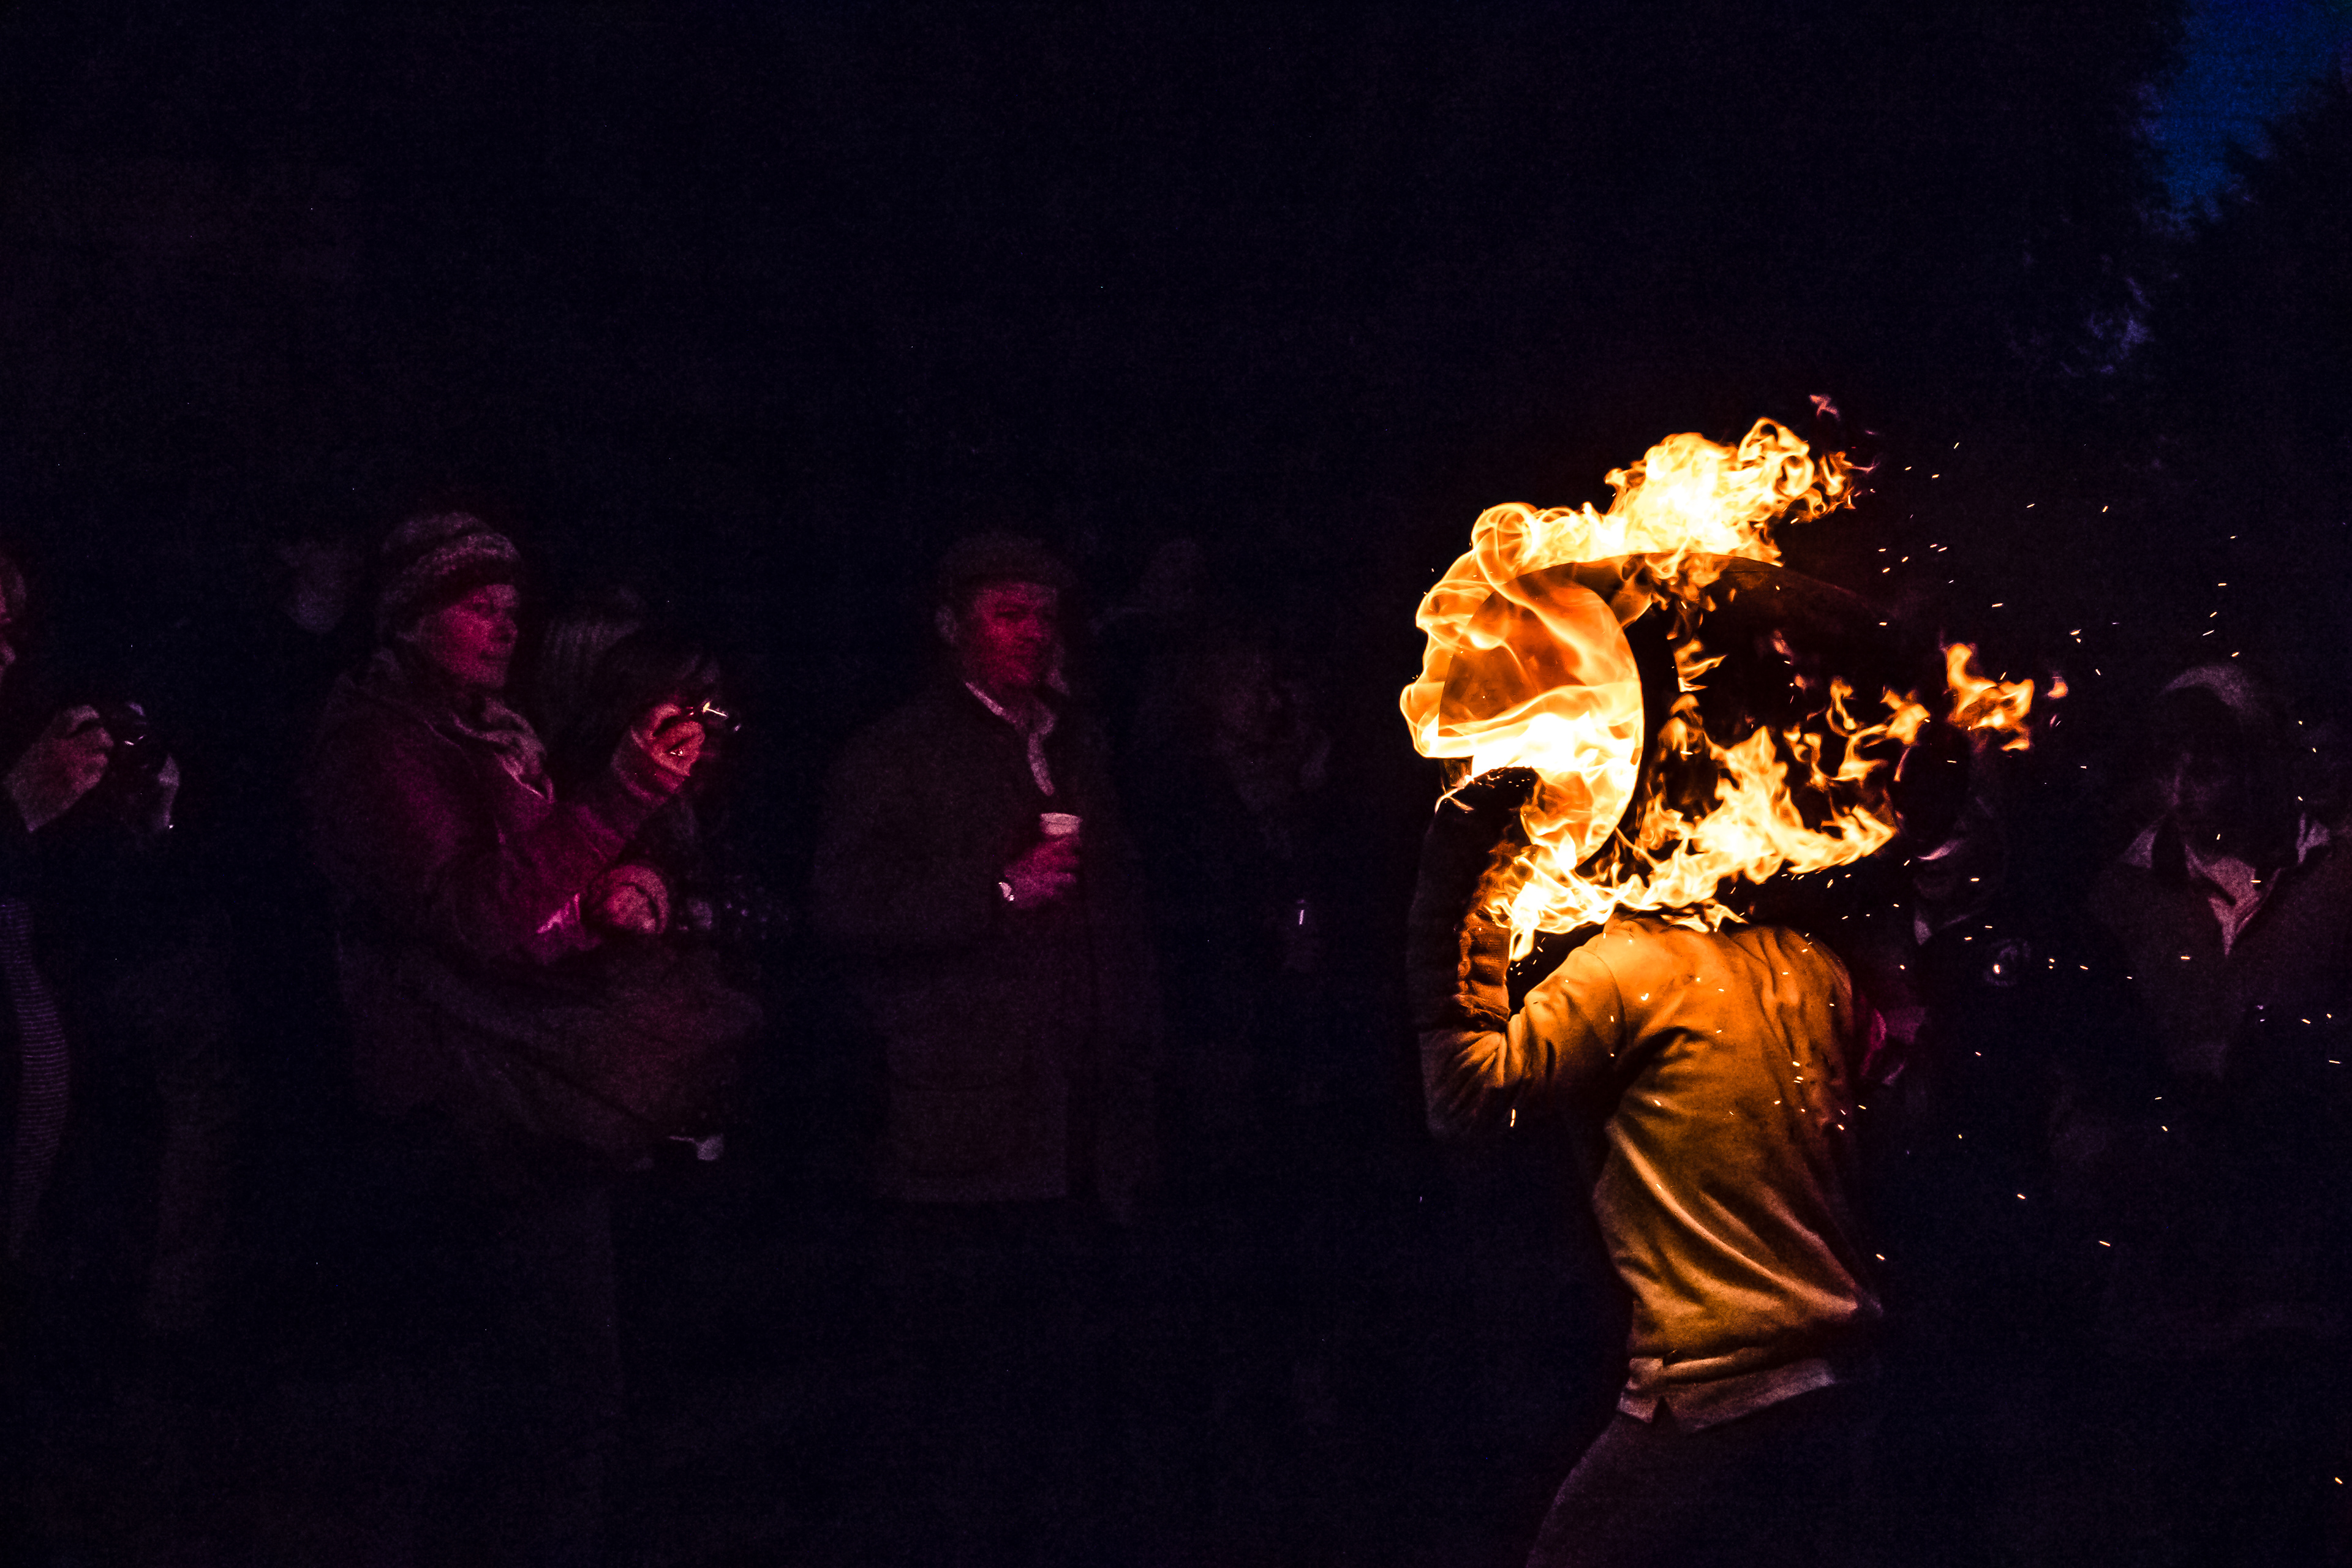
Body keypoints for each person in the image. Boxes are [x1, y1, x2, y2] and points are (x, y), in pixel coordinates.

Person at [304, 511, 727, 1567]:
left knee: (540, 1389)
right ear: (408, 619)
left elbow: (539, 894)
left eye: (511, 608)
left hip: (520, 1080)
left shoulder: (494, 732)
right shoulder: (378, 745)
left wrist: (619, 889)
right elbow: (479, 920)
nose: (503, 625)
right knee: (546, 1391)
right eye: (476, 606)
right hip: (468, 1092)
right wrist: (622, 794)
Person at [1408, 769, 1883, 1568]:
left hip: (1711, 1396)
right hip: (1842, 1384)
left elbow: (1461, 1099)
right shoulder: (1816, 967)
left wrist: (1465, 891)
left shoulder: (1628, 969)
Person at [812, 530, 1154, 1564]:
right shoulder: (897, 753)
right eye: (1008, 613)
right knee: (964, 1412)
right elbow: (841, 906)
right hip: (963, 1126)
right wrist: (995, 892)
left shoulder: (1077, 746)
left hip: (1079, 1125)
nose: (1031, 633)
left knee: (1065, 1406)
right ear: (951, 627)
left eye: (1044, 614)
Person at [2053, 664, 2352, 1564]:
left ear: (2260, 765)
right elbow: (2080, 1069)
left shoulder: (2337, 880)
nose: (2183, 791)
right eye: (2169, 766)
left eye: (2209, 766)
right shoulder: (2124, 897)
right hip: (2173, 1276)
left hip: (2309, 1270)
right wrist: (2097, 1152)